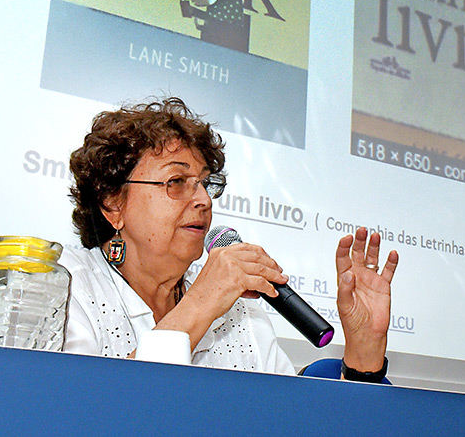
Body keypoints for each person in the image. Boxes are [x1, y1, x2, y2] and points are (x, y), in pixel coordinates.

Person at [62, 97, 398, 379]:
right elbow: (82, 413)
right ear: (112, 203)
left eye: (205, 184)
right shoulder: (65, 285)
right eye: (176, 181)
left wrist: (363, 357)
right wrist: (202, 302)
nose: (204, 201)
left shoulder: (240, 312)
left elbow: (294, 425)